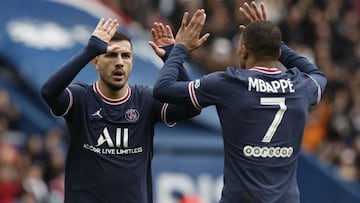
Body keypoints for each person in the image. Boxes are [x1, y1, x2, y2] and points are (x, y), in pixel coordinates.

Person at [152, 2, 327, 203]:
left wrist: (179, 50)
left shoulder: (229, 84)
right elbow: (317, 74)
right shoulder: (302, 86)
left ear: (243, 51)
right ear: (278, 53)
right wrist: (274, 42)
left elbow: (163, 89)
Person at [40, 18, 200, 203]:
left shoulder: (146, 100)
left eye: (125, 56)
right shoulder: (80, 98)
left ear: (132, 61)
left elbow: (191, 107)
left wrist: (174, 59)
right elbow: (49, 92)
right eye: (111, 55)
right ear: (95, 62)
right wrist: (89, 50)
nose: (119, 62)